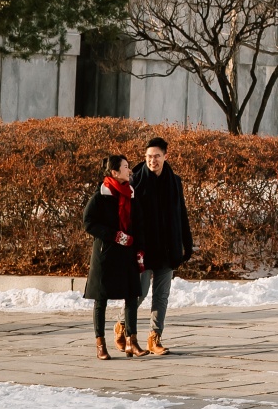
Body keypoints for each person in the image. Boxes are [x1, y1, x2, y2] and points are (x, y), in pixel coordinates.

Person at [132, 136, 195, 356]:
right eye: (149, 156)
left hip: (168, 248)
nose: (152, 161)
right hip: (143, 248)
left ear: (166, 156)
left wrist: (187, 243)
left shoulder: (174, 181)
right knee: (139, 292)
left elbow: (181, 214)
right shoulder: (136, 182)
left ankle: (154, 337)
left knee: (162, 295)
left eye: (157, 156)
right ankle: (122, 326)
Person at [82, 153, 143, 359]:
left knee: (132, 295)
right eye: (126, 167)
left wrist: (139, 248)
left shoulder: (131, 193)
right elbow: (88, 222)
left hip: (127, 252)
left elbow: (137, 225)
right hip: (106, 253)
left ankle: (131, 341)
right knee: (101, 299)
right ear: (115, 172)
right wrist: (114, 236)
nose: (130, 170)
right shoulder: (101, 195)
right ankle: (100, 344)